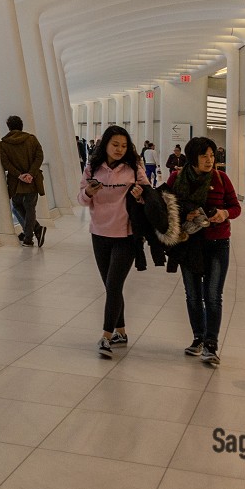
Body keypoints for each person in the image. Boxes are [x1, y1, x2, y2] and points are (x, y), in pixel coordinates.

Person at [162, 136, 240, 366]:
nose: (209, 160)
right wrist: (184, 214)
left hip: (217, 243)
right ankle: (198, 337)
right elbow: (168, 208)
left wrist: (223, 214)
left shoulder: (221, 178)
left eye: (212, 155)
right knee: (193, 295)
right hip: (189, 244)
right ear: (193, 157)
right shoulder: (177, 178)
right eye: (204, 155)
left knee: (213, 296)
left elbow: (235, 207)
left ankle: (211, 343)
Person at [78, 125, 148, 359]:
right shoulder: (92, 168)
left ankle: (106, 338)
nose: (119, 149)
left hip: (126, 235)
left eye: (124, 145)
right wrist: (89, 191)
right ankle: (121, 332)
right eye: (115, 144)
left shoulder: (134, 168)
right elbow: (81, 199)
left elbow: (149, 197)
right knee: (111, 287)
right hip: (99, 233)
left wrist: (140, 196)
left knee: (114, 285)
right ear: (105, 144)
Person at [0, 115, 47, 247]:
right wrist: (30, 174)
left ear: (9, 127)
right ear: (21, 125)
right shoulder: (32, 139)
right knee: (30, 207)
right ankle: (33, 231)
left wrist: (19, 175)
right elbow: (39, 156)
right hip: (33, 180)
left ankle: (30, 234)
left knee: (16, 207)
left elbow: (5, 163)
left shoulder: (4, 143)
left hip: (16, 182)